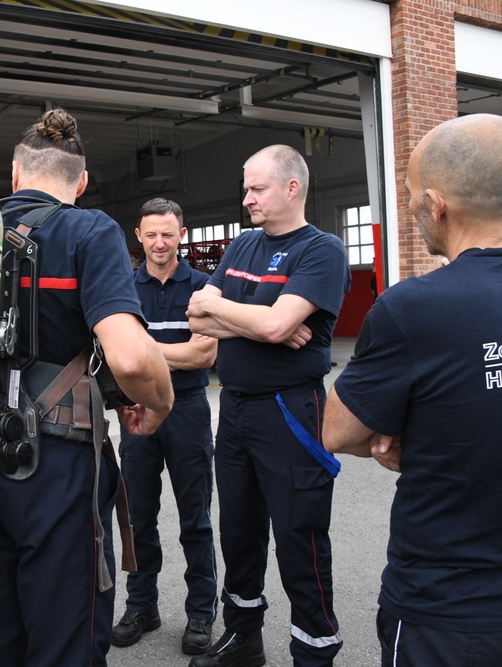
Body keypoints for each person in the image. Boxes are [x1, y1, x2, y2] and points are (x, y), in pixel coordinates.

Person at [0, 108, 174, 667]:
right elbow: (127, 354)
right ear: (80, 181)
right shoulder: (88, 229)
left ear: (15, 172)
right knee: (66, 637)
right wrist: (161, 401)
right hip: (53, 463)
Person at [323, 113, 502, 666]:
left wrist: (410, 428)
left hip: (451, 614)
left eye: (411, 197)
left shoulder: (414, 308)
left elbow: (338, 430)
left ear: (437, 205)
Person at [186, 144, 350, 667]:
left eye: (256, 188)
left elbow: (276, 324)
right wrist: (263, 321)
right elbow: (197, 316)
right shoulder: (242, 245)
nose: (247, 197)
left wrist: (245, 316)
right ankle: (243, 638)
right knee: (238, 529)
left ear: (291, 188)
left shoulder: (321, 250)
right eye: (246, 187)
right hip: (233, 409)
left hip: (288, 411)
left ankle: (315, 649)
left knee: (299, 535)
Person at [111, 198, 218, 656]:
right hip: (136, 410)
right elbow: (112, 353)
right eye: (151, 234)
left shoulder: (203, 287)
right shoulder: (121, 288)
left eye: (168, 234)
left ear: (182, 235)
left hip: (189, 410)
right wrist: (167, 352)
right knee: (138, 517)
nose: (159, 242)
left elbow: (204, 355)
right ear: (139, 235)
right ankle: (142, 606)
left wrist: (141, 350)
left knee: (195, 518)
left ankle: (200, 613)